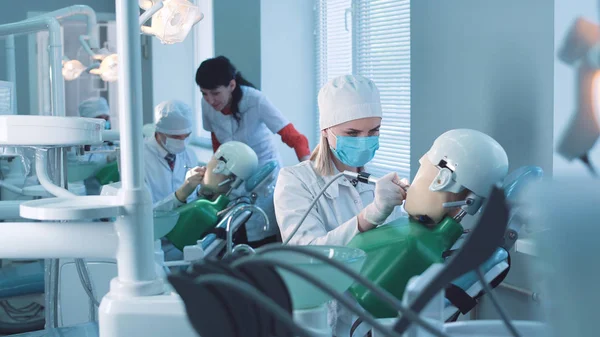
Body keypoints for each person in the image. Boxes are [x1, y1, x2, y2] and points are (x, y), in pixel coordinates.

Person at [273, 74, 409, 335]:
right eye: (352, 133)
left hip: (380, 318)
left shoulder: (379, 182)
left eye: (374, 131)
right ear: (326, 130)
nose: (364, 139)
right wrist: (367, 218)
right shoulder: (295, 182)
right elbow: (307, 258)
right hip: (329, 322)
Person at [195, 55, 311, 247]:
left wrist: (308, 174)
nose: (210, 100)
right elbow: (216, 138)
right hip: (233, 175)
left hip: (265, 176)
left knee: (266, 234)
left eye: (215, 93)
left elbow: (296, 139)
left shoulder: (255, 100)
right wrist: (215, 169)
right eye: (204, 93)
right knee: (235, 234)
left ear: (231, 85)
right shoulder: (207, 105)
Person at [144, 99, 206, 260]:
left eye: (187, 136)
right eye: (176, 137)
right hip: (153, 244)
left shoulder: (189, 155)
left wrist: (204, 190)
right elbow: (143, 213)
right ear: (159, 131)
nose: (182, 142)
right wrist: (180, 195)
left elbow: (195, 200)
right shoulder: (138, 159)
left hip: (184, 238)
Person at [77, 97, 117, 195]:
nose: (104, 123)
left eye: (106, 119)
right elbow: (84, 169)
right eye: (99, 119)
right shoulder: (78, 146)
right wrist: (107, 159)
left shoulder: (113, 142)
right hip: (90, 195)